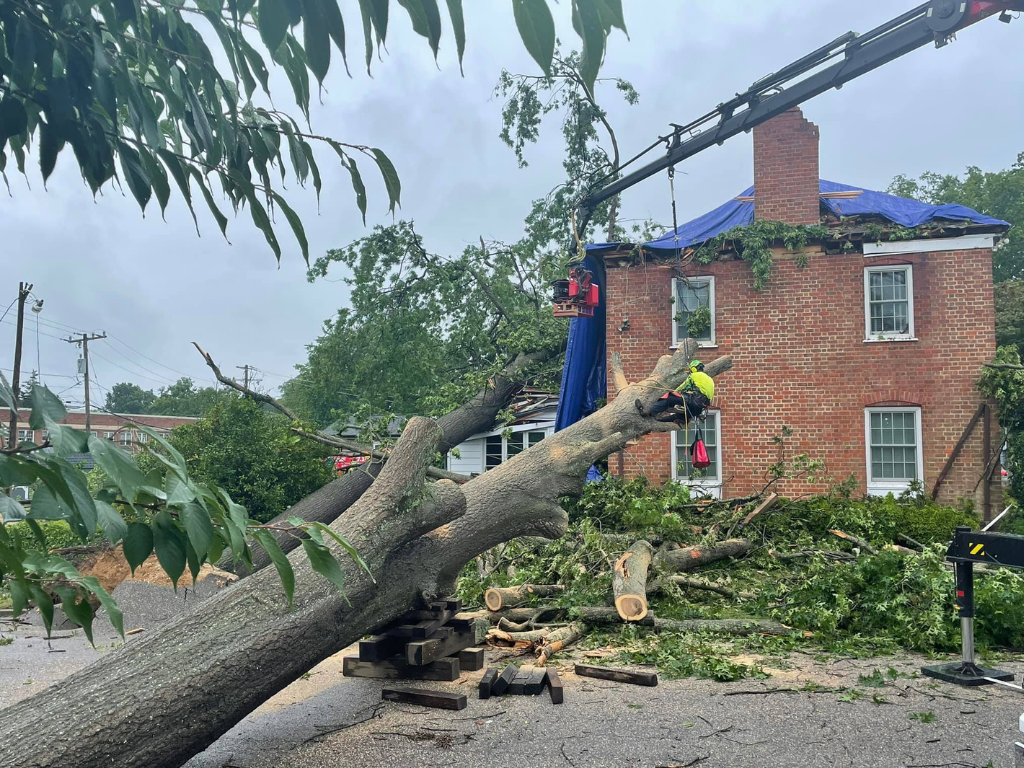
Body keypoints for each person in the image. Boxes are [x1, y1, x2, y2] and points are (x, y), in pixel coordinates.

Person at [636, 360, 714, 424]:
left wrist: (673, 391)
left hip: (694, 400)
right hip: (699, 409)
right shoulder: (710, 379)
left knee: (669, 398)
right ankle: (659, 421)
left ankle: (647, 411)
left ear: (694, 369)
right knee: (679, 416)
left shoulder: (694, 376)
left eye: (690, 370)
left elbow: (683, 387)